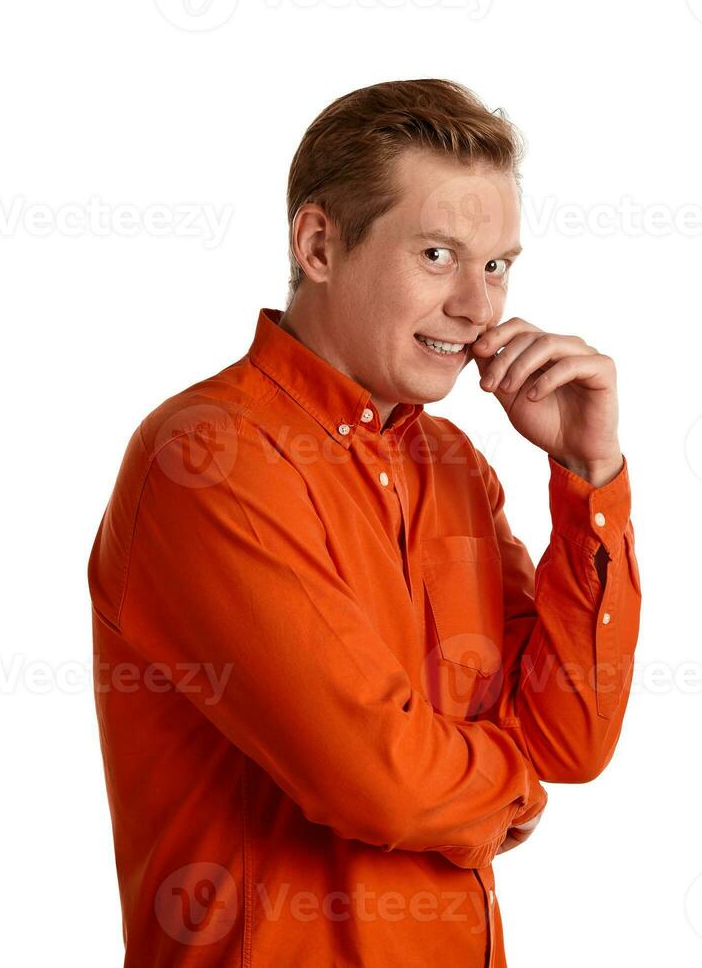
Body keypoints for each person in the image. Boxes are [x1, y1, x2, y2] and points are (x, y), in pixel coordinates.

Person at [86, 78, 641, 967]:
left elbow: (568, 738)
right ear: (318, 244)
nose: (479, 307)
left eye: (497, 265)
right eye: (437, 255)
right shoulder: (206, 459)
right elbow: (377, 780)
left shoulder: (455, 465)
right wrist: (516, 794)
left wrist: (586, 476)